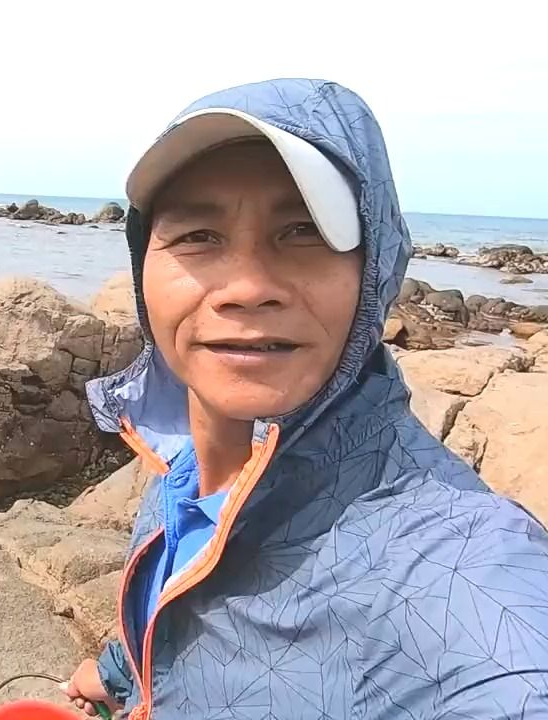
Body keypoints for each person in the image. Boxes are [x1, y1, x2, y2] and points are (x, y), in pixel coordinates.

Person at [63, 78, 548, 719]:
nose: (246, 287)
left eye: (303, 232)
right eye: (197, 236)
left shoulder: (470, 580)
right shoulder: (178, 468)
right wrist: (122, 672)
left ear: (374, 271)